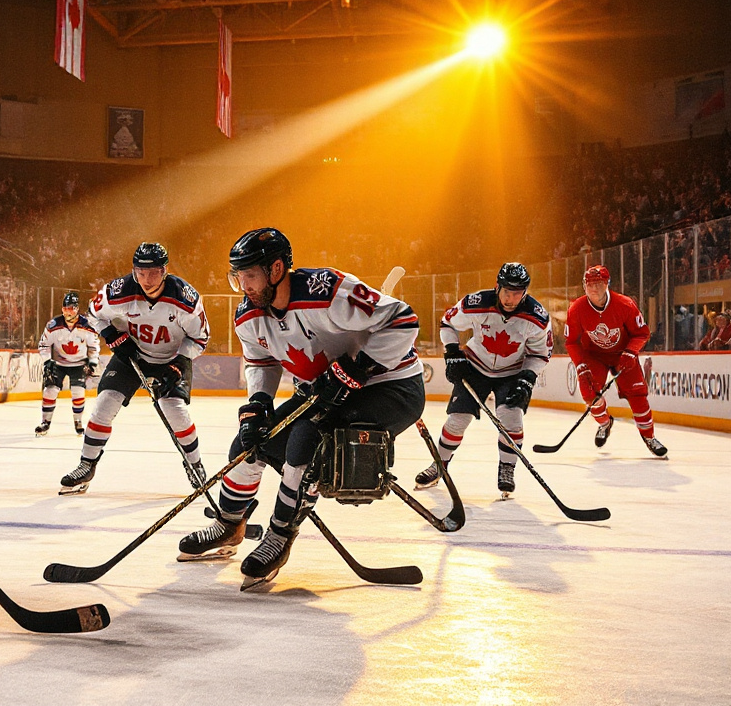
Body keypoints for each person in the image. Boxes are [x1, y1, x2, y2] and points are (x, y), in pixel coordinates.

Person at [179, 228, 424, 590]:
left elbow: (404, 320)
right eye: (238, 277)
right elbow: (261, 361)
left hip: (391, 386)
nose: (243, 286)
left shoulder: (330, 290)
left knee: (307, 443)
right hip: (324, 390)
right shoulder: (250, 315)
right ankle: (230, 525)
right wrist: (259, 404)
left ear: (276, 269)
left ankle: (280, 535)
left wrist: (357, 368)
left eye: (249, 275)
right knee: (248, 445)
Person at [58, 242, 210, 495]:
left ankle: (195, 465)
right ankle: (87, 464)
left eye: (153, 273)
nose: (147, 279)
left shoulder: (185, 298)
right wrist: (111, 335)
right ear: (133, 271)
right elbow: (93, 314)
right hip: (132, 356)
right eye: (141, 272)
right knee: (105, 403)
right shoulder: (118, 291)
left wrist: (181, 362)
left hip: (170, 360)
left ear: (165, 271)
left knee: (175, 411)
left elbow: (200, 338)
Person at [413, 262, 551, 498]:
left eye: (518, 293)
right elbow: (448, 323)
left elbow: (540, 354)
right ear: (497, 287)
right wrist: (453, 352)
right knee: (458, 419)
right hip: (475, 367)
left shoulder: (537, 317)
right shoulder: (476, 303)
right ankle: (439, 465)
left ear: (525, 292)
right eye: (507, 292)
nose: (511, 298)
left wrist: (528, 377)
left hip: (512, 371)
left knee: (512, 419)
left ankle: (507, 468)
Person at [564, 265, 667, 457]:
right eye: (590, 284)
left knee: (637, 394)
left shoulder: (625, 304)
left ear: (607, 284)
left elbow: (641, 333)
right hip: (593, 355)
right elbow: (571, 341)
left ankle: (649, 437)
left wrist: (630, 352)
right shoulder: (577, 309)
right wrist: (581, 364)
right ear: (584, 286)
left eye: (599, 283)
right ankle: (605, 423)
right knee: (589, 394)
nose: (594, 289)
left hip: (622, 354)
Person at [35, 291, 100, 437]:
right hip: (58, 363)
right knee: (50, 391)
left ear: (77, 309)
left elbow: (94, 346)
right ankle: (45, 422)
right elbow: (44, 345)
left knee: (78, 391)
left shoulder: (87, 326)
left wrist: (93, 362)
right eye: (65, 308)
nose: (67, 312)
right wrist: (47, 361)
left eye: (70, 308)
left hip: (78, 364)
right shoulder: (53, 325)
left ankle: (78, 422)